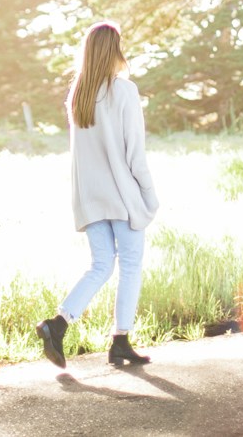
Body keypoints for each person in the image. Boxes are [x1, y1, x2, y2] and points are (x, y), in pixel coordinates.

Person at [36, 21, 159, 368]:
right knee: (130, 265)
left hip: (90, 197)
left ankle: (56, 325)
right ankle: (120, 339)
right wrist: (150, 194)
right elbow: (134, 152)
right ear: (114, 50)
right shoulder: (124, 91)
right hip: (123, 195)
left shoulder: (78, 94)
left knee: (102, 265)